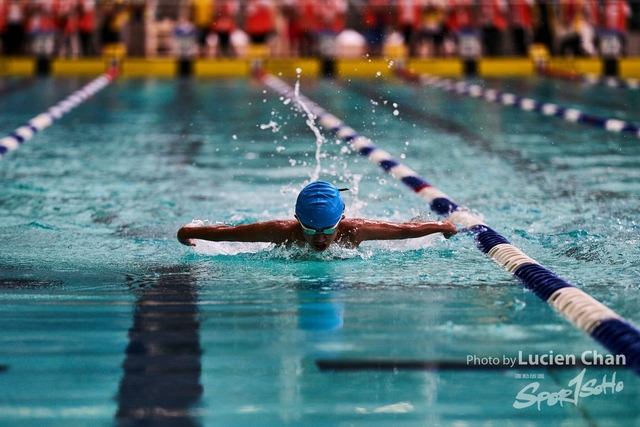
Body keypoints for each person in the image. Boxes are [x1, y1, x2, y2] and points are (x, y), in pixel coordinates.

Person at [177, 181, 458, 252]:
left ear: (341, 221)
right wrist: (187, 233)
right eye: (310, 231)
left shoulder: (355, 231)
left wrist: (440, 226)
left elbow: (405, 230)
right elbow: (228, 233)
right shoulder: (282, 231)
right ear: (298, 221)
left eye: (326, 230)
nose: (320, 238)